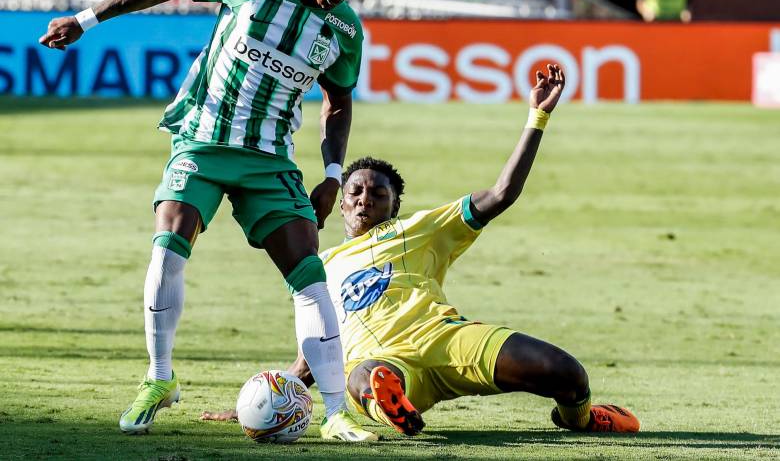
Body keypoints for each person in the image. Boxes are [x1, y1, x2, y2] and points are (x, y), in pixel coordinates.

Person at [38, 0, 385, 441]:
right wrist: (86, 20)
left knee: (309, 277)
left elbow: (338, 99)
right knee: (167, 247)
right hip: (201, 140)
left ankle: (336, 412)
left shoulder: (343, 30)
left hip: (269, 157)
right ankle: (159, 380)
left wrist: (334, 173)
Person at [202, 65, 641, 436]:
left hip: (446, 339)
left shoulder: (419, 229)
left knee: (565, 372)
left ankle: (580, 418)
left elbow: (503, 193)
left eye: (378, 194)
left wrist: (537, 117)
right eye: (356, 191)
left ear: (396, 205)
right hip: (384, 362)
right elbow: (311, 356)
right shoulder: (319, 267)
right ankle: (392, 407)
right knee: (364, 375)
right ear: (341, 202)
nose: (364, 199)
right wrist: (256, 406)